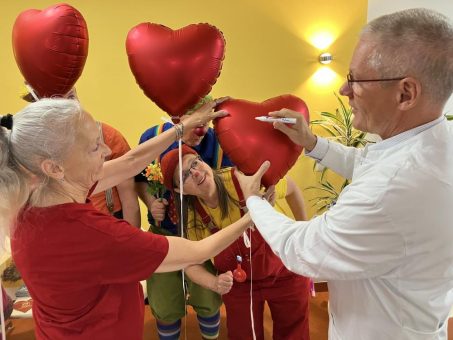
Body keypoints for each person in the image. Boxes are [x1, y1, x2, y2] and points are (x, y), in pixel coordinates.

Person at [234, 8, 453, 340]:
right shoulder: (431, 142)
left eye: (355, 80)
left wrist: (253, 200)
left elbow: (299, 249)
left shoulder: (392, 190)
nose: (344, 90)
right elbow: (368, 163)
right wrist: (312, 142)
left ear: (405, 94)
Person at [0, 97, 255, 340]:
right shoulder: (90, 234)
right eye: (94, 147)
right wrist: (253, 210)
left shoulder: (36, 192)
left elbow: (130, 162)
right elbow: (198, 251)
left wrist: (181, 129)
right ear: (54, 167)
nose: (107, 149)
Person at [160, 145, 311, 340]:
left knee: (294, 333)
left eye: (195, 163)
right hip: (239, 287)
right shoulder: (192, 217)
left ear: (203, 160)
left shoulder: (243, 179)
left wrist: (304, 237)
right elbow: (190, 262)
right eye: (185, 176)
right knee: (243, 335)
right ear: (180, 190)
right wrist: (214, 283)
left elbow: (290, 187)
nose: (196, 173)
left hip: (286, 273)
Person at [135, 98, 234, 340]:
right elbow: (138, 180)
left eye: (205, 122)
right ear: (176, 117)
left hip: (203, 234)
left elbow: (230, 184)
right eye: (194, 123)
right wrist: (151, 202)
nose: (199, 133)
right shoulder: (152, 137)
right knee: (165, 303)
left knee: (208, 297)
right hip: (163, 234)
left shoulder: (220, 143)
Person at [90, 122, 141, 227]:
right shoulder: (48, 144)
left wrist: (131, 242)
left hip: (108, 221)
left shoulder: (108, 137)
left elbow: (129, 202)